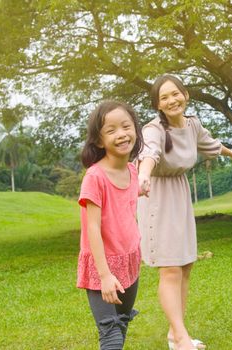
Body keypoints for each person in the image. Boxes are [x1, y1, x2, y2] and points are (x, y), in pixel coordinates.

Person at [137, 74, 232, 350]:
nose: (172, 100)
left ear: (185, 94)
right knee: (170, 268)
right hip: (157, 197)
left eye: (175, 94)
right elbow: (149, 153)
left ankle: (177, 335)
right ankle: (181, 338)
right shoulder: (154, 129)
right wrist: (144, 176)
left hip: (180, 196)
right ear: (158, 105)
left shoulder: (192, 124)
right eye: (164, 97)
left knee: (185, 265)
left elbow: (211, 144)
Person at [77, 100, 144, 349]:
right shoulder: (95, 177)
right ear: (98, 140)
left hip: (129, 259)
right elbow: (91, 228)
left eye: (126, 126)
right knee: (110, 332)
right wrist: (105, 276)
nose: (121, 134)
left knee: (122, 323)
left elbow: (124, 207)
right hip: (102, 265)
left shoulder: (131, 170)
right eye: (111, 130)